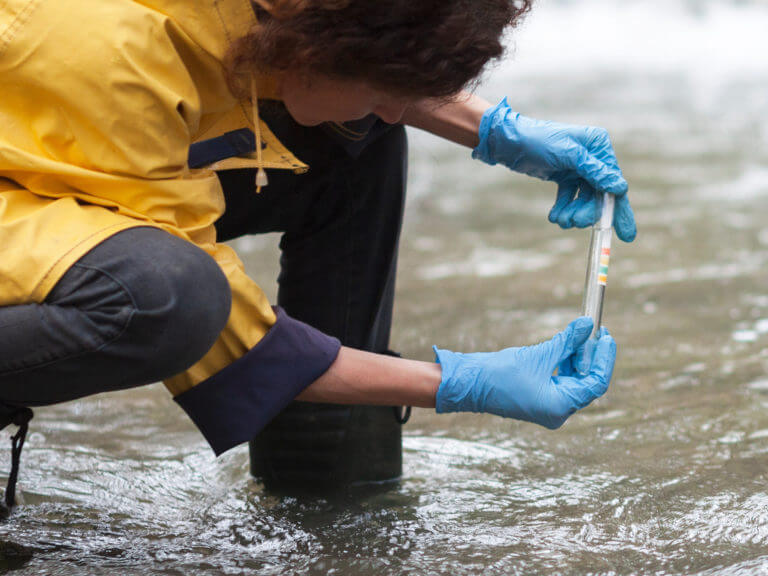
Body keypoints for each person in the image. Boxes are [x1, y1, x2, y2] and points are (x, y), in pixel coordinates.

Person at [0, 0, 634, 510]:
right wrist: (461, 384)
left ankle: (327, 492)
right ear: (315, 42)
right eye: (383, 84)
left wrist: (497, 131)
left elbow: (360, 61)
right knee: (168, 297)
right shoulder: (116, 50)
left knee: (358, 140)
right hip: (32, 179)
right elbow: (232, 340)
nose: (397, 106)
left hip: (64, 158)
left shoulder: (280, 18)